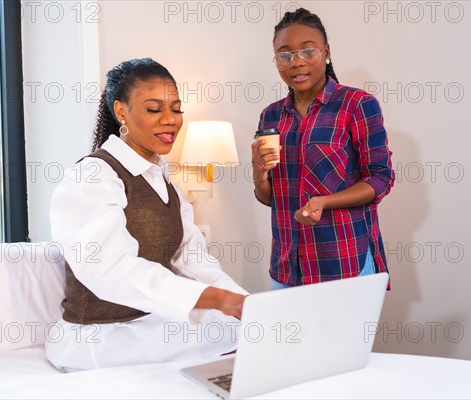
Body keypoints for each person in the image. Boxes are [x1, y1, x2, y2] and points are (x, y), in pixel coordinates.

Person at [46, 58, 248, 372]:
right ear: (121, 111)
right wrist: (216, 299)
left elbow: (193, 260)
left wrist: (242, 301)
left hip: (145, 324)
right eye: (154, 109)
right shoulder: (92, 177)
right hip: (99, 336)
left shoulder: (164, 183)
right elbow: (112, 268)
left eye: (177, 109)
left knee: (257, 332)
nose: (170, 120)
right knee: (238, 340)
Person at [251, 8, 395, 289]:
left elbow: (380, 178)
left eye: (308, 52)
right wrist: (259, 175)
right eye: (285, 55)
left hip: (343, 263)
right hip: (286, 267)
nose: (296, 63)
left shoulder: (357, 105)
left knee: (346, 335)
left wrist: (323, 201)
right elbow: (270, 198)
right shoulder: (271, 116)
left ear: (326, 52)